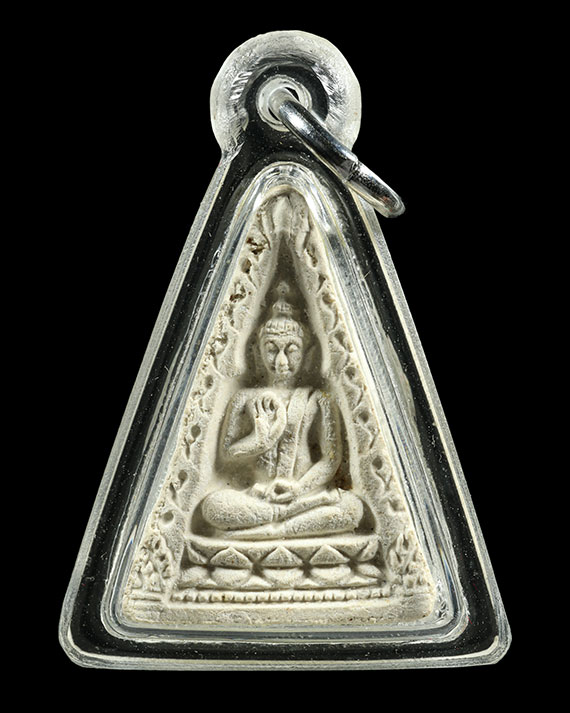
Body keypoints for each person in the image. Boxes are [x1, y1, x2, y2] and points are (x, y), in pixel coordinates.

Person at [198, 283, 364, 539]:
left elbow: (330, 461)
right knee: (213, 506)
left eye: (291, 350)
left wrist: (298, 489)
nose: (281, 361)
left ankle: (269, 529)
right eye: (272, 350)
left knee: (352, 509)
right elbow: (227, 455)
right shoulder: (244, 398)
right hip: (258, 496)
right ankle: (284, 523)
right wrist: (259, 441)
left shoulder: (319, 399)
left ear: (308, 354)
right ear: (257, 352)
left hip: (303, 495)